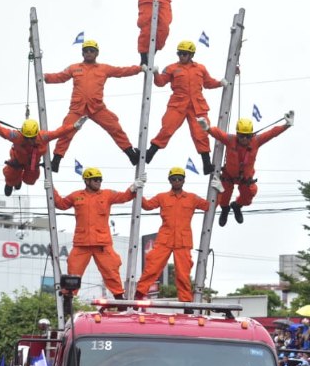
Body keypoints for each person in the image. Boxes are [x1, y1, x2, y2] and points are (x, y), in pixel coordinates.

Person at [44, 40, 142, 172]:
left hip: (97, 108)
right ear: (82, 53)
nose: (88, 53)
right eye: (86, 51)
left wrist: (140, 68)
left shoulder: (104, 68)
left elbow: (121, 71)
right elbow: (60, 77)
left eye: (91, 50)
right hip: (77, 109)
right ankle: (56, 161)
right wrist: (44, 77)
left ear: (97, 53)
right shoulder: (74, 68)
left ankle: (131, 155)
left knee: (115, 127)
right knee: (65, 132)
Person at [48, 168, 146, 298]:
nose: (98, 182)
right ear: (87, 181)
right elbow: (60, 204)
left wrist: (133, 188)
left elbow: (124, 197)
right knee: (73, 272)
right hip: (81, 244)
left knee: (111, 271)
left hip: (102, 244)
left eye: (100, 180)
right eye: (95, 179)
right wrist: (51, 189)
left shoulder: (107, 194)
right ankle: (67, 300)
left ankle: (119, 298)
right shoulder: (76, 195)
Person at [134, 167, 217, 302]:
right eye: (174, 179)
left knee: (183, 274)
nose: (177, 181)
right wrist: (137, 189)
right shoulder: (162, 197)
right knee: (152, 268)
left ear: (184, 180)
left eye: (180, 178)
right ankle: (138, 294)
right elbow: (147, 205)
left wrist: (219, 191)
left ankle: (185, 303)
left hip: (183, 241)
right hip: (164, 239)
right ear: (169, 180)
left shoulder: (192, 198)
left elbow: (210, 206)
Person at [145, 40, 227, 174]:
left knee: (201, 133)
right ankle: (150, 154)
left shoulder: (200, 68)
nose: (181, 56)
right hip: (178, 104)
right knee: (167, 128)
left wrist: (219, 83)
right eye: (180, 53)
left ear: (191, 55)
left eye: (184, 54)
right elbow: (160, 83)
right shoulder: (172, 68)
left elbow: (208, 83)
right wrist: (155, 73)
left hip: (197, 106)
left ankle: (206, 165)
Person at [199, 113, 293, 226]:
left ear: (251, 135)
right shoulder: (230, 139)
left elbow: (271, 133)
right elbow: (218, 134)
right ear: (237, 134)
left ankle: (237, 206)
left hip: (245, 178)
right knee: (224, 195)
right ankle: (225, 210)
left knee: (250, 193)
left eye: (248, 136)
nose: (244, 139)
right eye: (241, 136)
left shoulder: (256, 141)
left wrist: (286, 125)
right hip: (229, 175)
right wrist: (207, 128)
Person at [0, 109, 87, 196]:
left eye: (32, 137)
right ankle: (11, 183)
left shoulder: (43, 137)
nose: (30, 140)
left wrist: (75, 126)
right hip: (17, 160)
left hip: (32, 163)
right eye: (27, 137)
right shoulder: (16, 136)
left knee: (30, 180)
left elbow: (59, 132)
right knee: (11, 174)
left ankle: (19, 180)